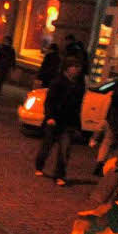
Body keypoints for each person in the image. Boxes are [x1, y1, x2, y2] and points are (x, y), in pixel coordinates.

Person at [35, 58, 84, 186]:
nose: (77, 70)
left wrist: (78, 126)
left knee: (64, 150)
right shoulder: (57, 82)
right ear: (67, 68)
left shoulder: (78, 86)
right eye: (74, 67)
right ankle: (39, 166)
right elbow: (49, 102)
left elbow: (78, 107)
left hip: (68, 123)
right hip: (55, 121)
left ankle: (60, 175)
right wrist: (50, 117)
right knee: (46, 147)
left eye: (78, 67)